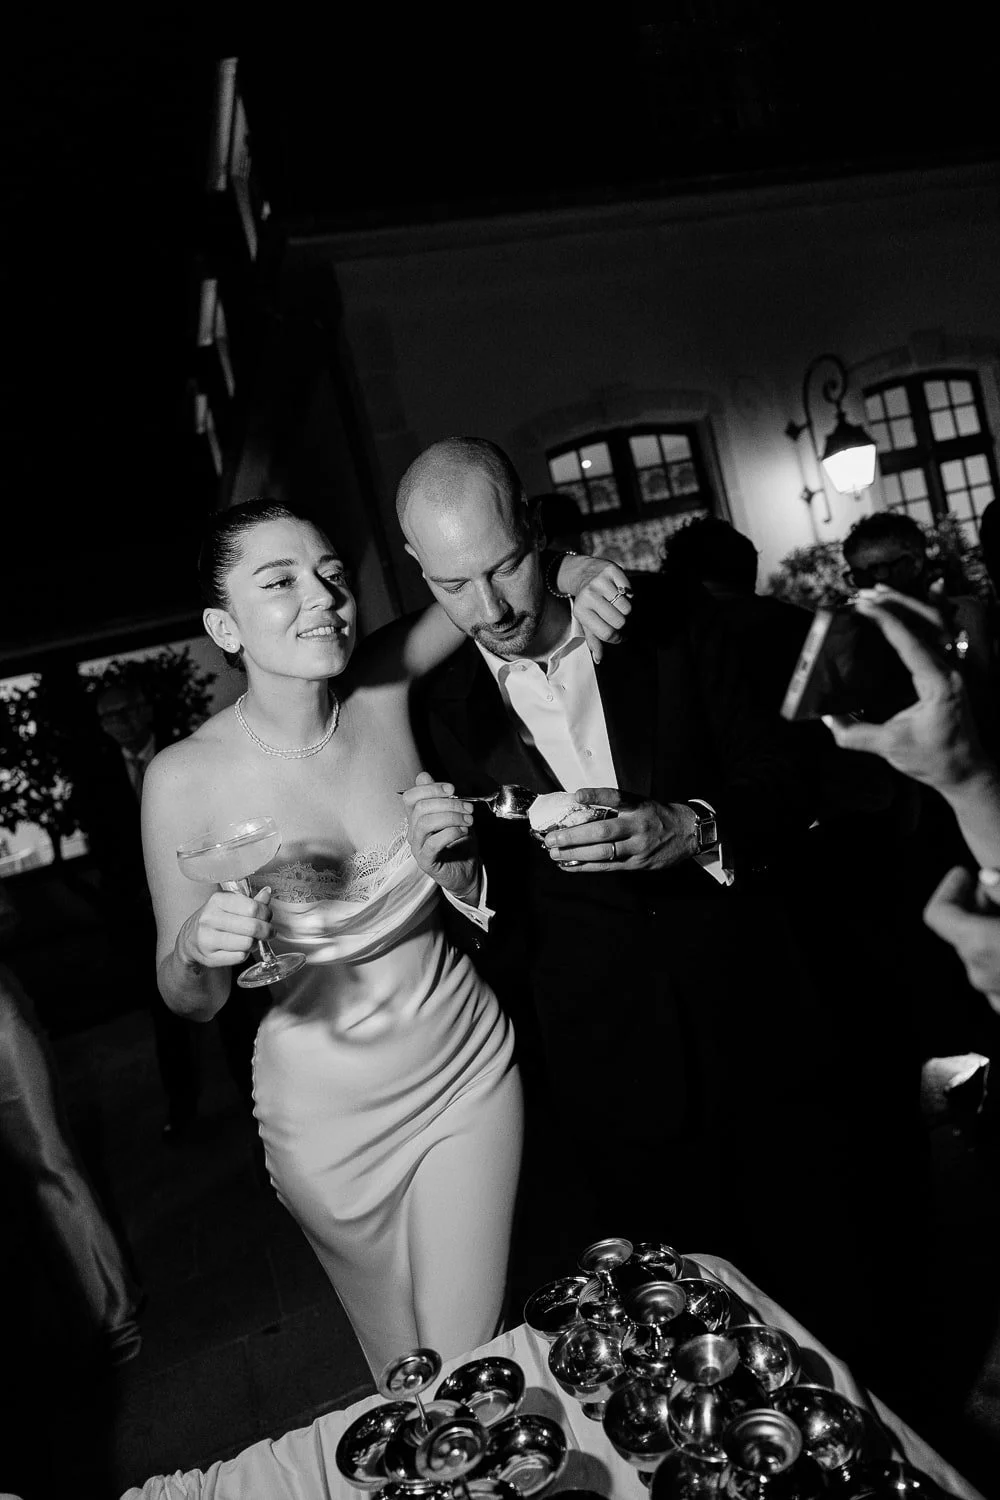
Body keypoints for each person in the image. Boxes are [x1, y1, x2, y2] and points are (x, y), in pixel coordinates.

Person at [141, 498, 615, 1374]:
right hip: (323, 1122)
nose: (321, 597)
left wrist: (575, 569)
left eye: (330, 574)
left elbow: (486, 583)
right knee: (404, 1377)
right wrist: (198, 950)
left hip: (467, 1072)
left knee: (468, 1361)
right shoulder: (183, 778)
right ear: (225, 625)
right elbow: (191, 1003)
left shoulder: (387, 680)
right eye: (278, 583)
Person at [398, 437, 819, 1292]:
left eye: (507, 566)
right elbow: (503, 933)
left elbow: (793, 781)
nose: (491, 608)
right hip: (606, 1073)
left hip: (762, 1019)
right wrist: (462, 886)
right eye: (452, 585)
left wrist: (695, 828)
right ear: (417, 570)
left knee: (824, 1282)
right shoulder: (426, 705)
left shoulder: (672, 618)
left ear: (537, 527)